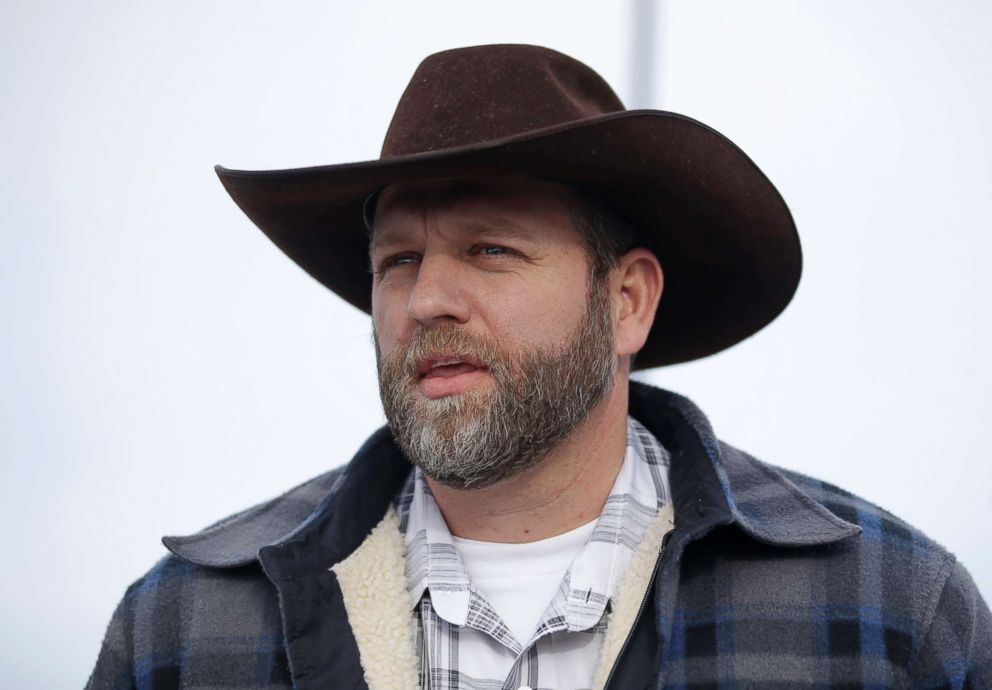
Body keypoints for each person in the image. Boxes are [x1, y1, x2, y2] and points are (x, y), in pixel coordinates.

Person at [88, 44, 991, 690]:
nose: (426, 299)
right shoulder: (183, 630)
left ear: (627, 300)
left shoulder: (886, 616)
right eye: (397, 261)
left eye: (489, 250)